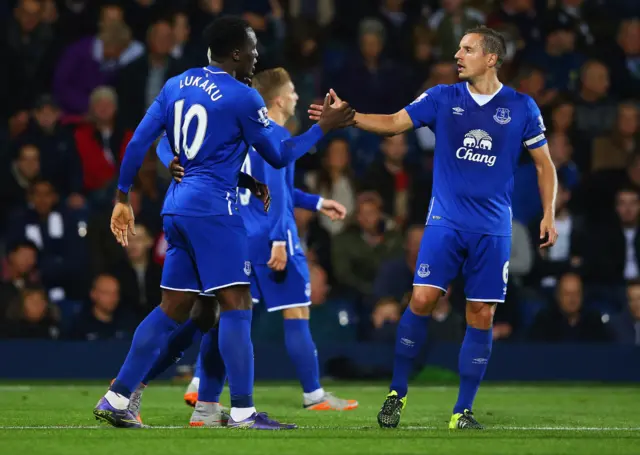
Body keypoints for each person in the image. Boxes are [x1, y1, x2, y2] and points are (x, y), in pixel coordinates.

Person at [94, 16, 355, 430]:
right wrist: (324, 127)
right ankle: (244, 412)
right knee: (236, 305)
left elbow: (142, 141)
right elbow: (280, 155)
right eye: (252, 49)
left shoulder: (176, 83)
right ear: (236, 53)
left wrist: (122, 197)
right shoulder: (243, 96)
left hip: (177, 209)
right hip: (216, 212)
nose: (256, 57)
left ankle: (118, 396)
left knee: (174, 306)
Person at [310, 26, 558, 430]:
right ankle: (397, 393)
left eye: (468, 49)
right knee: (422, 298)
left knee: (480, 313)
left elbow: (545, 164)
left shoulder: (522, 106)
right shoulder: (443, 97)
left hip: (493, 229)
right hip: (446, 221)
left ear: (492, 58)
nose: (457, 55)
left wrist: (547, 213)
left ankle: (462, 411)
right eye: (457, 47)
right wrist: (350, 118)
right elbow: (392, 123)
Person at [171, 68, 358, 418]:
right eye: (292, 91)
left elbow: (273, 187)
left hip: (236, 234)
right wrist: (279, 240)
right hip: (272, 235)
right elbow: (276, 194)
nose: (297, 97)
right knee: (296, 311)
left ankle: (201, 386)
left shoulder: (240, 133)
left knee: (227, 313)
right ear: (278, 99)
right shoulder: (275, 133)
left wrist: (317, 203)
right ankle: (313, 393)